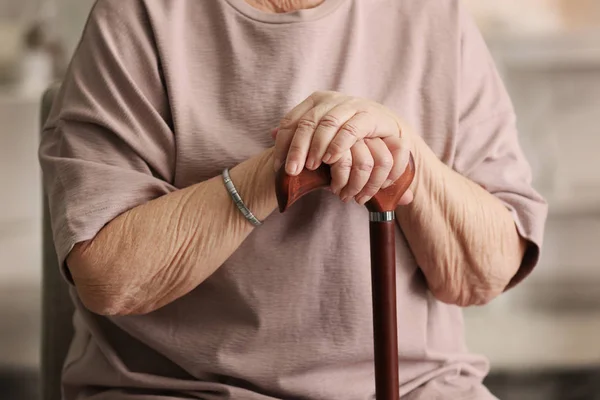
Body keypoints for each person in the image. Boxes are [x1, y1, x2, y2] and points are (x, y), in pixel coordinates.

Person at [39, 0, 548, 399]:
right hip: (184, 389)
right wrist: (279, 167)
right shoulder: (138, 15)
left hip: (418, 388)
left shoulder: (435, 14)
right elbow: (110, 280)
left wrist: (406, 152)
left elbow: (488, 271)